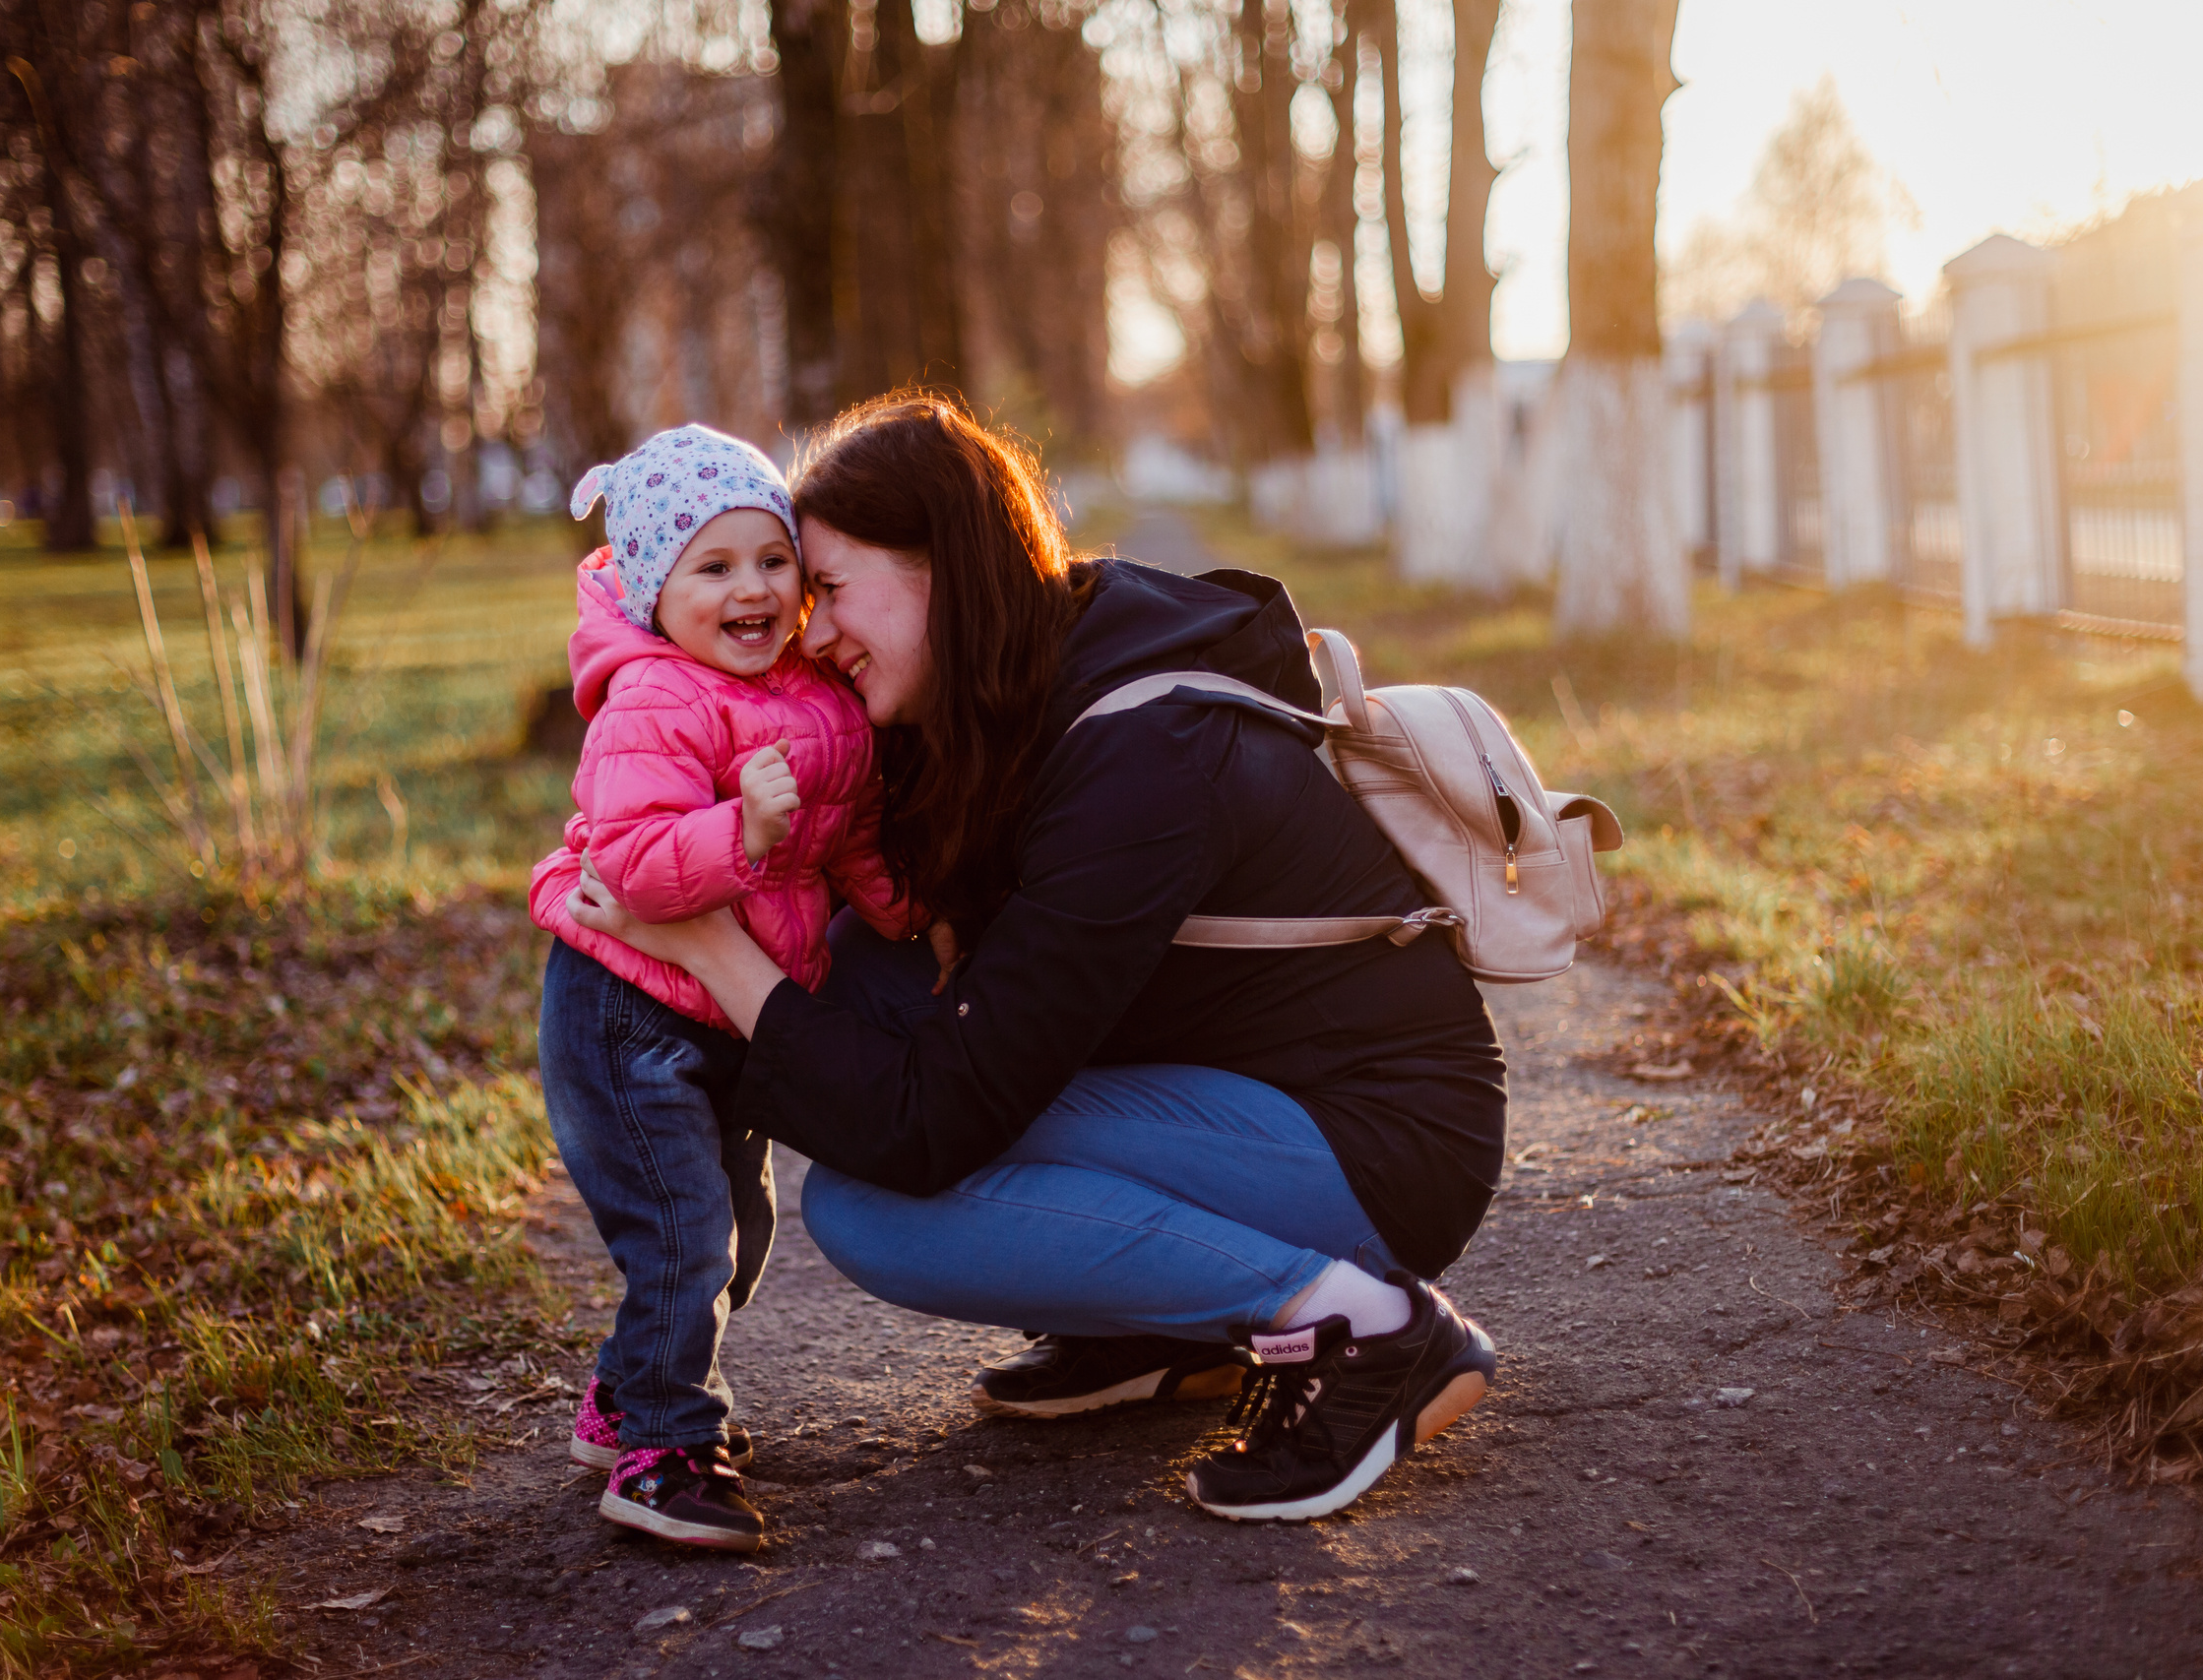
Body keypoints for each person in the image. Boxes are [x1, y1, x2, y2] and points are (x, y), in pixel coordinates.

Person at [562, 396, 1504, 1524]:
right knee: (861, 980)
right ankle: (1161, 1327)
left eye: (830, 588)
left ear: (943, 568)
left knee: (873, 1210)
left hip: (1376, 1142)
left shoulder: (1144, 757)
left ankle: (1365, 1327)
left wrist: (712, 947)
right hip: (1239, 1083)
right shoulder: (1027, 666)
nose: (811, 632)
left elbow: (933, 1120)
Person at [530, 423, 926, 1553]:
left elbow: (849, 834)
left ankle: (623, 1397)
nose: (750, 589)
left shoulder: (822, 697)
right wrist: (739, 831)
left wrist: (902, 912)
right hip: (628, 1013)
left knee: (739, 1239)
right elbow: (632, 864)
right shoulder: (652, 699)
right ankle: (665, 1454)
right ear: (654, 591)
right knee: (684, 1234)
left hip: (733, 1014)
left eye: (770, 560)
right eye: (711, 567)